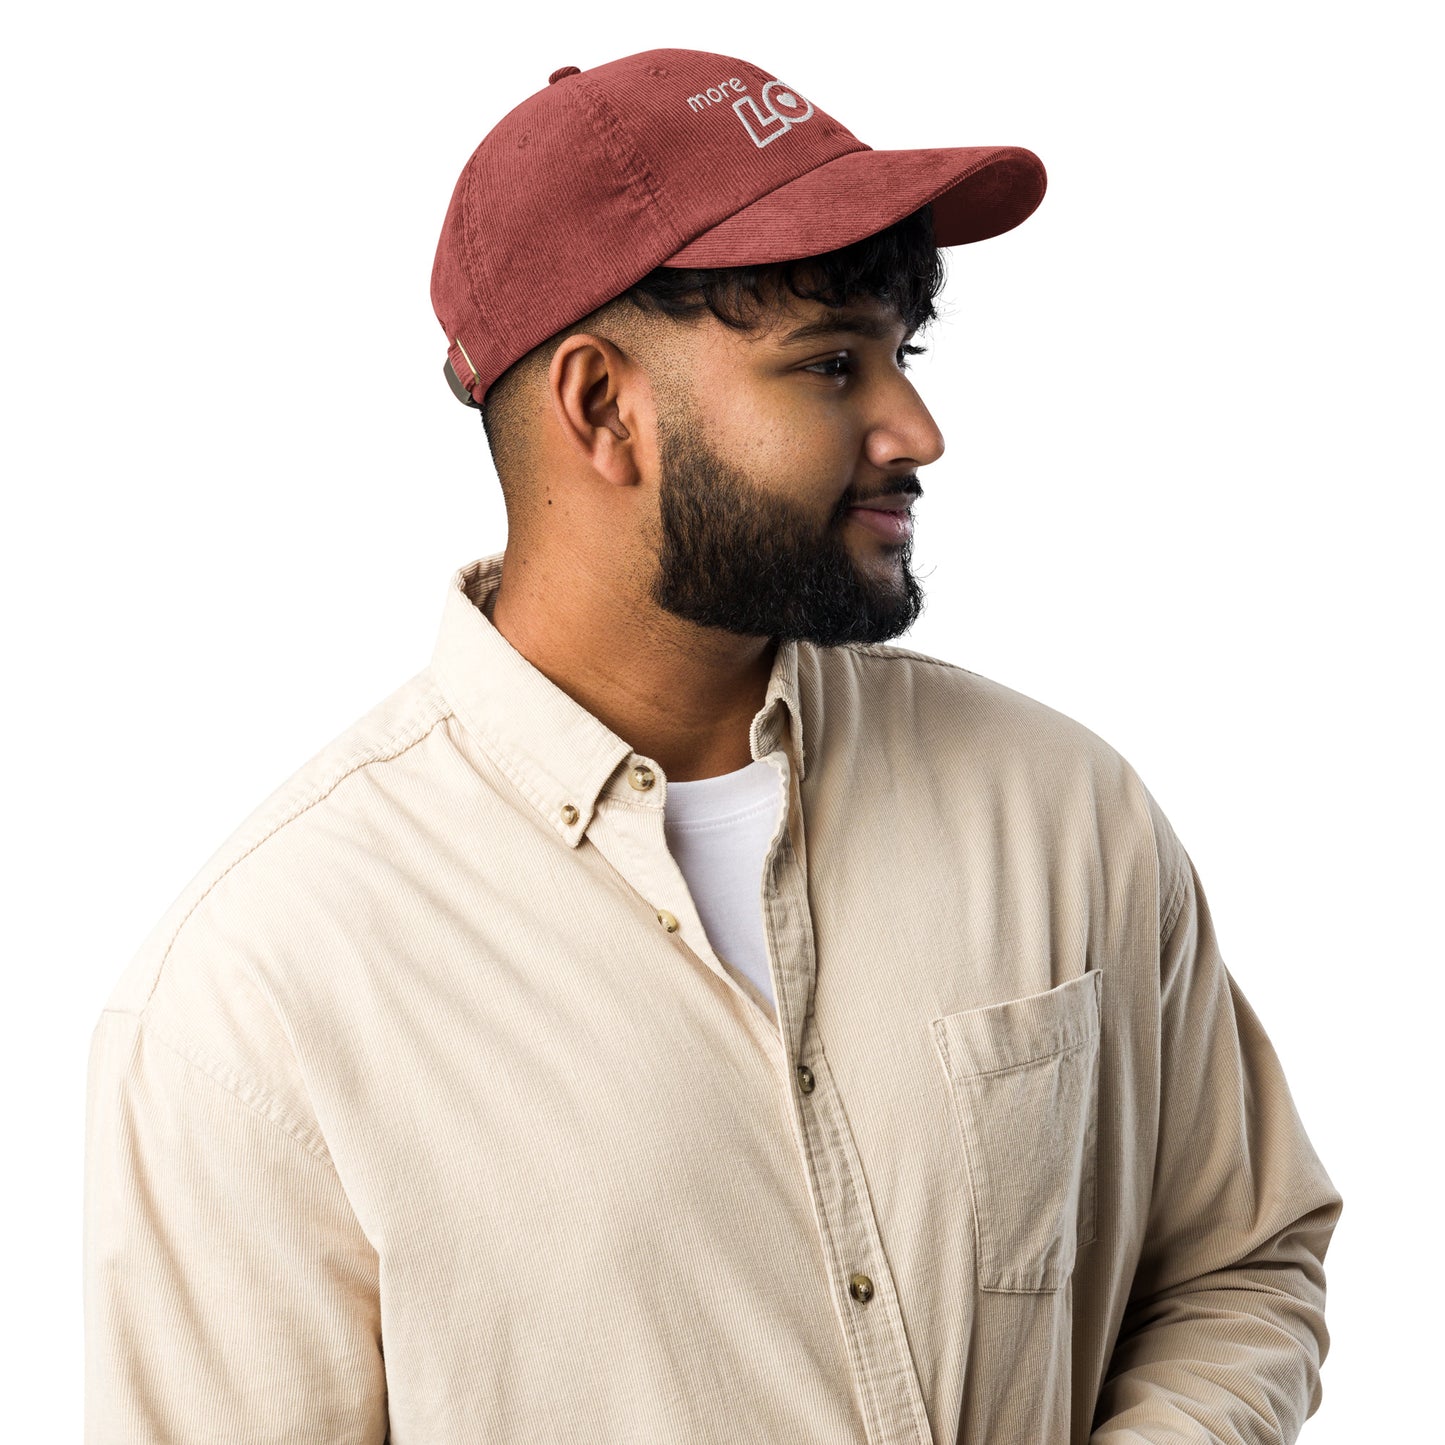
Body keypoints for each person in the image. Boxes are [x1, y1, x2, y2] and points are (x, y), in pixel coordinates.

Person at [83, 46, 1342, 1445]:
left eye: (903, 355)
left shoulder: (1061, 811)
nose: (916, 429)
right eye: (830, 364)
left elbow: (1238, 1264)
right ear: (600, 407)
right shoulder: (259, 994)